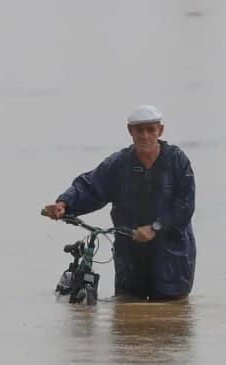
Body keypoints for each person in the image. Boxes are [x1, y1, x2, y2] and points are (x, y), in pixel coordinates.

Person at [42, 105, 196, 300]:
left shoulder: (177, 161)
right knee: (126, 317)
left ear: (160, 131)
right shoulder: (119, 163)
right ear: (130, 131)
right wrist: (64, 203)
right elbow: (90, 187)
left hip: (171, 259)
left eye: (151, 130)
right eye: (139, 130)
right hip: (130, 257)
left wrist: (155, 227)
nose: (145, 136)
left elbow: (185, 204)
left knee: (171, 318)